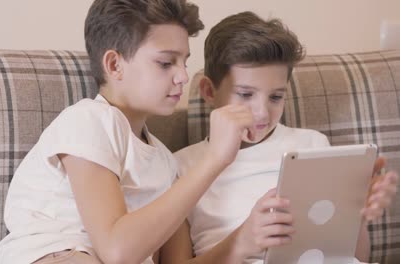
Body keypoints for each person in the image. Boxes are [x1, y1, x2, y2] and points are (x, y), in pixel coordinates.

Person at [0, 1, 256, 263]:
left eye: (184, 62)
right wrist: (214, 159)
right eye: (166, 63)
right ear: (115, 65)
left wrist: (241, 242)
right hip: (57, 254)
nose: (183, 77)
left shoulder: (165, 163)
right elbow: (116, 252)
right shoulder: (88, 120)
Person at [160, 11, 399, 264]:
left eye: (275, 97)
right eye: (245, 94)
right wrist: (241, 244)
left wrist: (357, 215)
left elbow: (354, 257)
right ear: (209, 91)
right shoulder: (179, 167)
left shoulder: (313, 146)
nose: (262, 112)